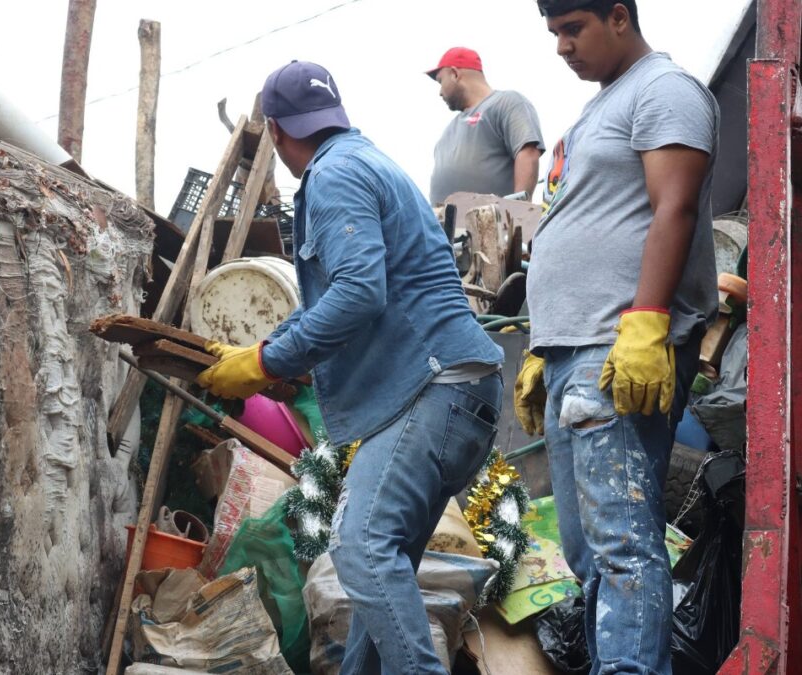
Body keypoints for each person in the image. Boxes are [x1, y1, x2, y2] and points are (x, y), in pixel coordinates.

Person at [196, 60, 505, 674]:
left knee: (360, 549)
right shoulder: (366, 161)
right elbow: (346, 302)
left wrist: (263, 361)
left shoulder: (333, 173)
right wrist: (277, 357)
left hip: (436, 387)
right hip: (459, 390)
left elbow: (359, 293)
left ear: (276, 131)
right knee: (380, 578)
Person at [516, 1, 719, 673]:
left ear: (619, 17)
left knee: (622, 546)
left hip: (616, 347)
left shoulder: (665, 89)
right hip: (574, 352)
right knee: (587, 553)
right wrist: (544, 345)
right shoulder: (598, 108)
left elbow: (675, 206)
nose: (562, 47)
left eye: (574, 28)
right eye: (554, 33)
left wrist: (647, 319)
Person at [426, 47, 545, 205]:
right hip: (442, 220)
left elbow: (527, 152)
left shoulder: (506, 102)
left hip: (492, 219)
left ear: (454, 74)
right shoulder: (448, 131)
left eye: (441, 81)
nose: (440, 92)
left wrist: (519, 210)